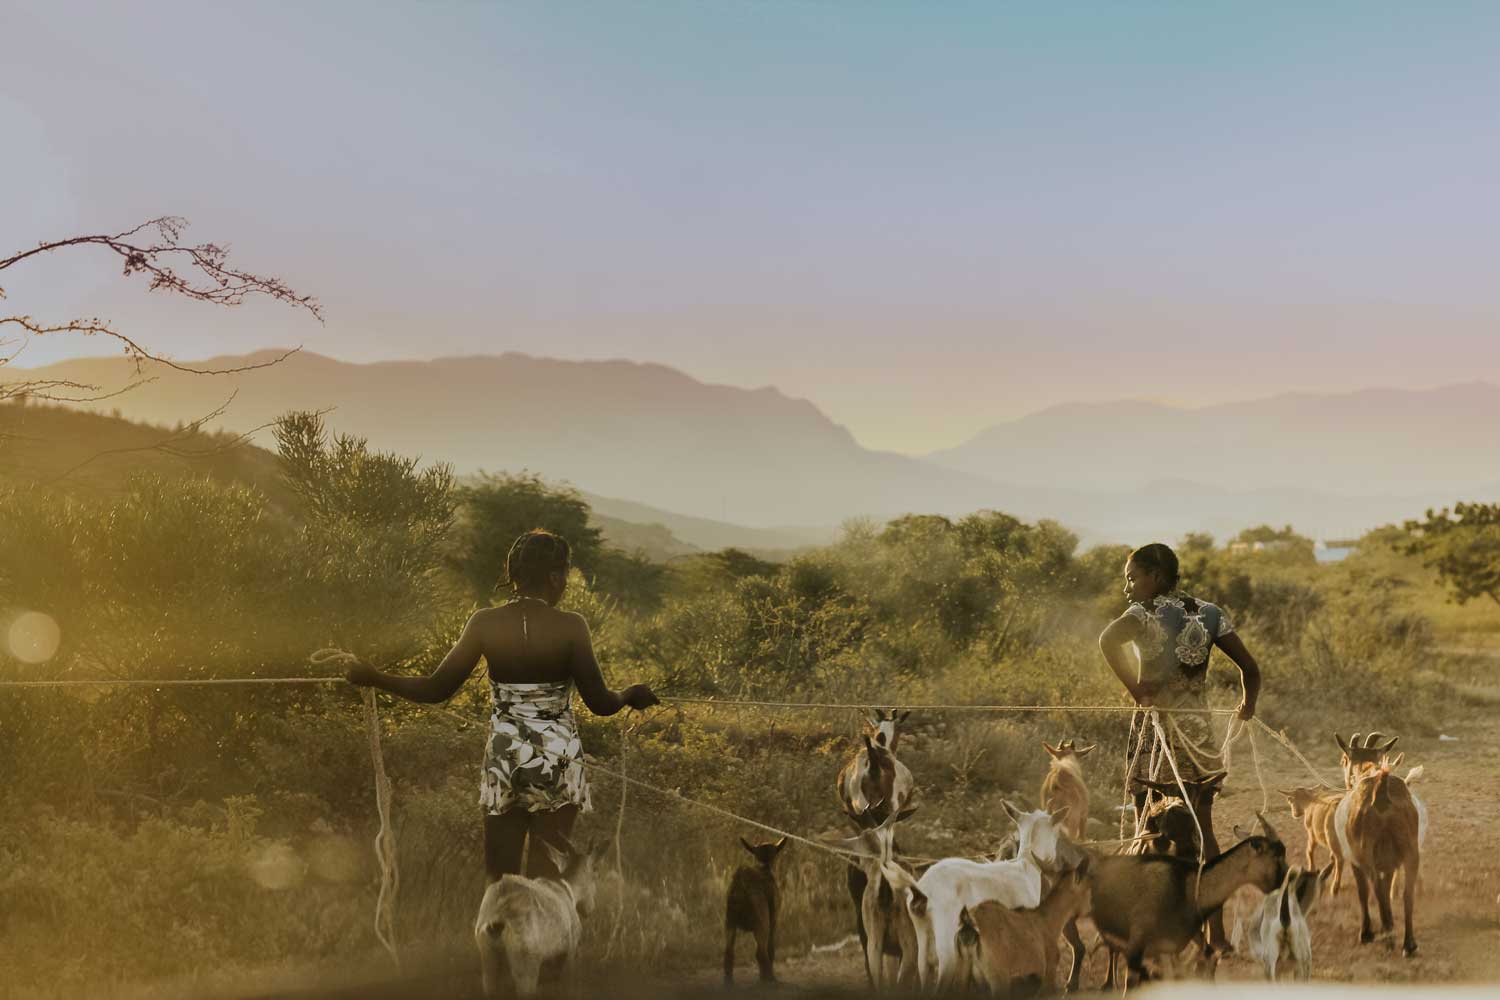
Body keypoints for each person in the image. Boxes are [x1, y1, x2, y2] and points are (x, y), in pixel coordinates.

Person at [345, 528, 659, 880]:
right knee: (545, 882)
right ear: (555, 577)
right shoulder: (571, 626)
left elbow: (435, 689)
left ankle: (499, 933)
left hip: (506, 758)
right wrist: (630, 694)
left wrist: (375, 677)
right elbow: (601, 703)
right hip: (557, 760)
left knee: (502, 882)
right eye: (565, 576)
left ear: (514, 574)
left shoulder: (485, 623)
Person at [1098, 542, 1261, 948]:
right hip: (1197, 735)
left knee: (1147, 826)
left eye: (1132, 578)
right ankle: (1216, 934)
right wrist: (1247, 706)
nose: (1128, 587)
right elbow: (1251, 670)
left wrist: (1137, 690)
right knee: (1202, 832)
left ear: (1155, 575)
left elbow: (1106, 641)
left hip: (1154, 732)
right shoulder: (1210, 614)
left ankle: (1146, 930)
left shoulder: (1141, 614)